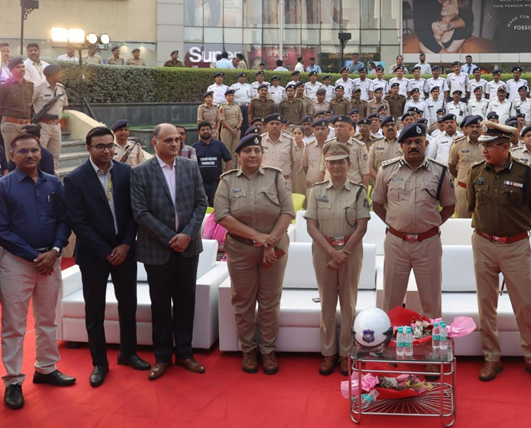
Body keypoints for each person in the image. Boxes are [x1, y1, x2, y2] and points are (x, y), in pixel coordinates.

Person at [0, 133, 75, 410]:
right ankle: (13, 380)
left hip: (51, 258)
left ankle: (46, 368)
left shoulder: (54, 183)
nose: (30, 155)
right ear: (12, 155)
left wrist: (56, 250)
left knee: (47, 318)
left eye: (34, 150)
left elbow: (65, 220)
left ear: (41, 153)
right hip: (17, 262)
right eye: (23, 151)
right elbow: (0, 230)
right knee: (13, 324)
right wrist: (35, 256)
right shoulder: (0, 187)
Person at [63, 127, 150, 388]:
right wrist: (105, 251)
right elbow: (77, 221)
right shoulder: (75, 178)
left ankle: (128, 353)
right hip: (94, 254)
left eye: (110, 145)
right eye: (100, 146)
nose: (107, 150)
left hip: (125, 250)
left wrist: (125, 244)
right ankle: (99, 363)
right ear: (88, 148)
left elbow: (135, 212)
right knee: (95, 310)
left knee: (128, 305)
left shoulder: (125, 172)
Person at [468, 121, 531, 384]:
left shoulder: (526, 174)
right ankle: (491, 358)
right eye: (482, 145)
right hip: (482, 243)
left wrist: (511, 231)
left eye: (489, 145)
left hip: (515, 246)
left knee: (524, 304)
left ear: (505, 147)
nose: (484, 150)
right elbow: (472, 206)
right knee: (486, 304)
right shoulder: (475, 172)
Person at [130, 124, 208, 380]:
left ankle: (185, 354)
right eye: (168, 140)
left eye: (177, 139)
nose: (175, 144)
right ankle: (162, 357)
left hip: (188, 248)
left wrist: (187, 235)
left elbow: (201, 203)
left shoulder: (190, 166)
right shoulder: (141, 172)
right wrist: (170, 238)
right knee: (160, 306)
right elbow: (140, 212)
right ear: (154, 142)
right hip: (157, 250)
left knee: (186, 304)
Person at [215, 134, 294, 374]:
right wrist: (258, 237)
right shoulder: (227, 181)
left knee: (269, 301)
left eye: (257, 151)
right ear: (238, 155)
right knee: (243, 300)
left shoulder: (275, 177)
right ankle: (248, 348)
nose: (253, 155)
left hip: (275, 249)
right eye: (247, 151)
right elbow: (222, 215)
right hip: (240, 250)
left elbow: (288, 212)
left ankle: (268, 350)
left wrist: (269, 242)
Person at [373, 123, 456, 321]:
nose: (413, 146)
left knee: (431, 303)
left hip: (428, 244)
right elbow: (377, 204)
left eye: (418, 142)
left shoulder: (440, 172)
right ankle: (391, 346)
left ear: (426, 144)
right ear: (401, 146)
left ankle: (431, 347)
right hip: (396, 243)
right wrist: (396, 225)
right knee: (391, 303)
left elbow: (449, 206)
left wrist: (428, 225)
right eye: (408, 142)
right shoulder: (387, 170)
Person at [303, 142, 369, 375]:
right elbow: (311, 226)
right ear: (326, 165)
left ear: (349, 164)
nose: (336, 166)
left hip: (350, 251)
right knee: (327, 304)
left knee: (348, 304)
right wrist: (332, 253)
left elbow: (361, 227)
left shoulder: (359, 191)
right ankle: (328, 353)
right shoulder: (316, 190)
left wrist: (343, 253)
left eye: (341, 161)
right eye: (332, 162)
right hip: (324, 251)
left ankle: (345, 353)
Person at [0, 57, 35, 151]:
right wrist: (9, 114)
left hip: (27, 124)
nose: (22, 69)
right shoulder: (4, 86)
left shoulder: (30, 85)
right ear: (11, 70)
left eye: (23, 66)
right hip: (11, 124)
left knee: (27, 151)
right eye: (18, 67)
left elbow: (30, 103)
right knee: (12, 152)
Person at [30, 64, 67, 168]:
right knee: (39, 154)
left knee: (55, 155)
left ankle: (53, 179)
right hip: (42, 125)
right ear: (51, 75)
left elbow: (65, 105)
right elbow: (29, 104)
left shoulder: (61, 88)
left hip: (56, 126)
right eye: (59, 73)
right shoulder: (38, 87)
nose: (61, 75)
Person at [448, 115, 483, 218]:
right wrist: (463, 179)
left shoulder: (488, 143)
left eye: (478, 126)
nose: (475, 129)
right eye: (472, 126)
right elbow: (452, 167)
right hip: (463, 190)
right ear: (466, 128)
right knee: (462, 220)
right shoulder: (458, 144)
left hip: (483, 189)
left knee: (484, 221)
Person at [193, 121, 234, 203]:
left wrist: (225, 175)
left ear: (211, 131)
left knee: (215, 205)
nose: (205, 131)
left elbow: (229, 160)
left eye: (207, 129)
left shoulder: (219, 145)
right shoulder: (194, 147)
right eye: (203, 130)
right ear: (199, 132)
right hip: (200, 184)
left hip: (216, 183)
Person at [261, 114, 303, 188]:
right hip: (264, 180)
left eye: (277, 124)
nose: (274, 126)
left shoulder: (289, 141)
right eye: (271, 123)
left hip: (284, 180)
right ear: (266, 126)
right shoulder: (260, 140)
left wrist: (288, 173)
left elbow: (297, 162)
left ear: (281, 126)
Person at [219, 89, 243, 155]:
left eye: (232, 95)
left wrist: (237, 129)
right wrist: (231, 130)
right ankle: (225, 165)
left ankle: (234, 165)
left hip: (236, 130)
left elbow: (240, 119)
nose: (231, 97)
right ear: (226, 97)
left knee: (235, 151)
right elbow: (222, 120)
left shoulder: (237, 106)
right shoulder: (223, 106)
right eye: (229, 96)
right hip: (227, 130)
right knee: (226, 150)